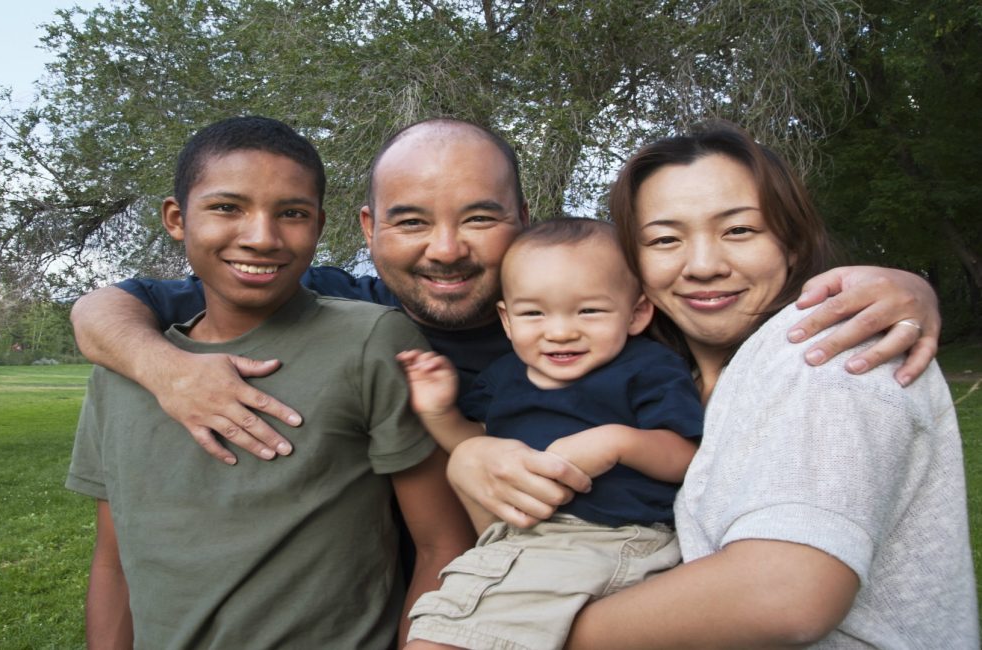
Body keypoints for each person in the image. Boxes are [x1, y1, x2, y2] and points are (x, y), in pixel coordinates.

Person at [69, 118, 943, 469]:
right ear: (369, 231)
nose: (446, 250)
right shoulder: (337, 307)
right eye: (411, 221)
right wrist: (168, 370)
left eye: (480, 218)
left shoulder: (598, 318)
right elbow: (104, 308)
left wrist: (901, 287)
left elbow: (711, 287)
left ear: (523, 222)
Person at [447, 122, 978, 648]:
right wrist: (469, 457)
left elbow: (784, 596)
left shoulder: (832, 351)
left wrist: (516, 633)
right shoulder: (659, 371)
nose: (703, 265)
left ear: (792, 242)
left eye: (739, 230)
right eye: (664, 239)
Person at [65, 116, 474, 649]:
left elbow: (444, 545)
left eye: (292, 213)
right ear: (176, 218)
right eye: (226, 207)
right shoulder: (123, 369)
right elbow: (113, 562)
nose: (261, 238)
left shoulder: (371, 341)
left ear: (319, 225)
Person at [397, 218, 703, 650]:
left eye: (589, 311)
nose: (560, 332)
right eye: (534, 313)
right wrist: (439, 412)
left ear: (636, 313)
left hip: (610, 538)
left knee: (441, 638)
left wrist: (617, 442)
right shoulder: (503, 377)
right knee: (433, 622)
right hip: (519, 541)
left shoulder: (647, 367)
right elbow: (475, 447)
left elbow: (686, 456)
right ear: (507, 320)